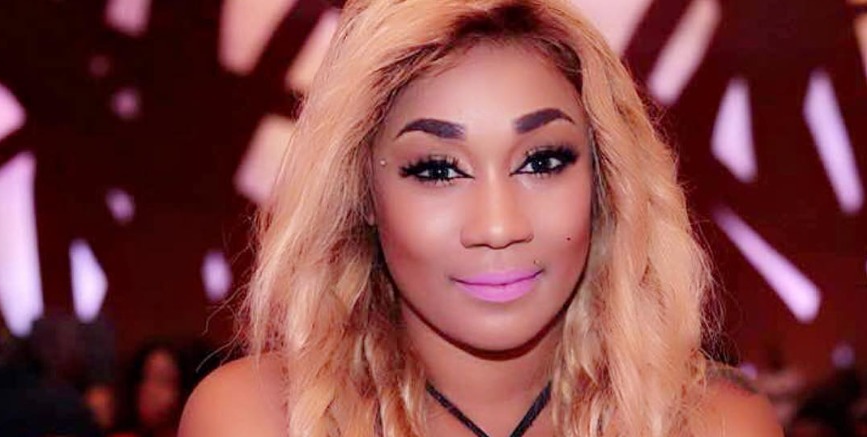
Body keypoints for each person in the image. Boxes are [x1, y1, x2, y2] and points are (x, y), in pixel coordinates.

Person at [179, 0, 783, 435]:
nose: (498, 226)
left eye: (542, 161)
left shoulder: (718, 425)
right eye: (438, 169)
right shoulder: (258, 419)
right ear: (361, 193)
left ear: (605, 182)